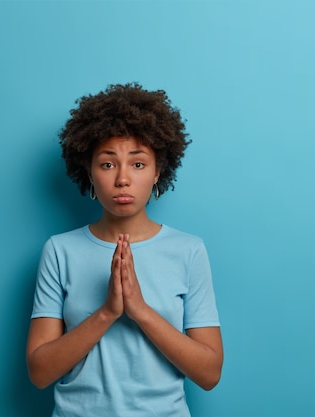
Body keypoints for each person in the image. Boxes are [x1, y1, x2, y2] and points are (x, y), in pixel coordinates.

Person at [26, 83, 223, 417]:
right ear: (88, 171)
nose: (122, 179)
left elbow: (209, 373)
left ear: (158, 171)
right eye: (107, 164)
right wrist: (107, 312)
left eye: (137, 164)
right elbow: (40, 372)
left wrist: (140, 310)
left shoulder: (188, 250)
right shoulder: (60, 251)